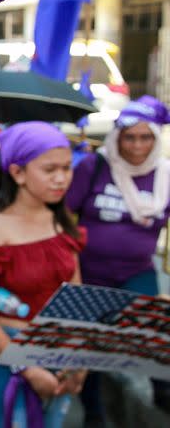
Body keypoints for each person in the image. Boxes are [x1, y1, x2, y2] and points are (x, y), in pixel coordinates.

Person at [0, 122, 87, 428]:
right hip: (7, 354)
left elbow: (76, 297)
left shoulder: (60, 222)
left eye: (67, 168)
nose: (61, 179)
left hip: (58, 353)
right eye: (50, 169)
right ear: (17, 173)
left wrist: (79, 356)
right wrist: (27, 369)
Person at [65, 95, 170, 420]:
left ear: (155, 138)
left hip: (137, 273)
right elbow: (67, 212)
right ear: (117, 137)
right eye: (130, 137)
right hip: (90, 271)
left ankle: (158, 410)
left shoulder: (165, 176)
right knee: (92, 350)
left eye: (145, 137)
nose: (137, 145)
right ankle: (94, 415)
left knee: (154, 343)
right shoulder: (93, 166)